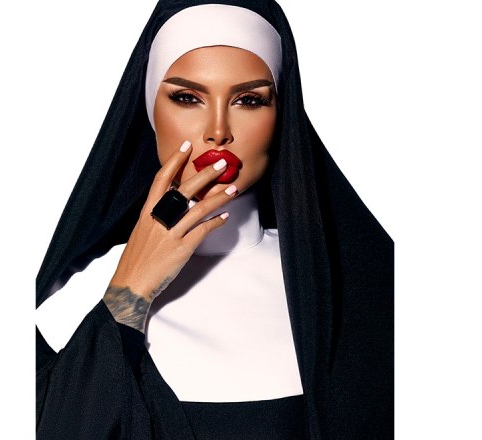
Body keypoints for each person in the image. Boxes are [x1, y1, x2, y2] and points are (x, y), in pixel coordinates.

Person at [36, 1, 393, 439]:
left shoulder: (362, 294)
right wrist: (130, 291)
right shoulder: (65, 307)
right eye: (187, 98)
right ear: (149, 110)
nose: (218, 130)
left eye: (248, 100)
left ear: (281, 114)